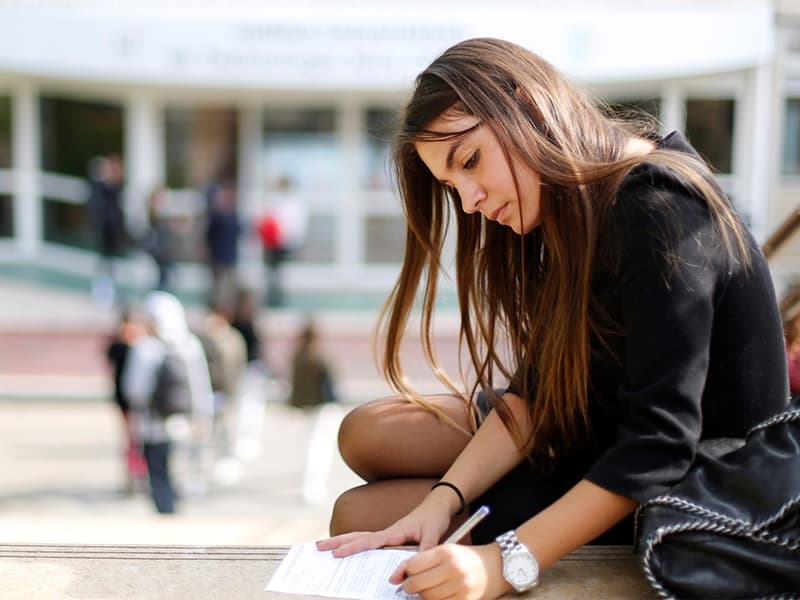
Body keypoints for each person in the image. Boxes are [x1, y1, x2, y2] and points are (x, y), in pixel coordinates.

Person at [317, 38, 790, 599]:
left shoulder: (658, 205)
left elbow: (660, 445)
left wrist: (503, 564)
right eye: (452, 186)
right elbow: (538, 392)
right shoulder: (577, 205)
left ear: (528, 106)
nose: (469, 202)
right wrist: (442, 500)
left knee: (361, 513)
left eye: (470, 161)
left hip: (692, 488)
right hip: (598, 437)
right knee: (369, 435)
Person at [286, 319, 341, 504]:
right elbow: (331, 386)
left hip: (305, 407)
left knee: (307, 444)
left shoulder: (298, 357)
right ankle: (313, 484)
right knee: (320, 447)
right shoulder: (319, 357)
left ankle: (307, 481)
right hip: (322, 406)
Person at [105, 306, 148, 493]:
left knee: (143, 438)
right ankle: (132, 473)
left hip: (143, 401)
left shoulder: (144, 347)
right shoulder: (118, 347)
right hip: (125, 400)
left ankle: (142, 472)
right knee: (131, 439)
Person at [87, 153, 127, 306]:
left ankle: (110, 292)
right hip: (104, 231)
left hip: (114, 233)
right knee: (104, 263)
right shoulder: (101, 188)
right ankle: (102, 294)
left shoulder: (117, 189)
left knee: (112, 264)